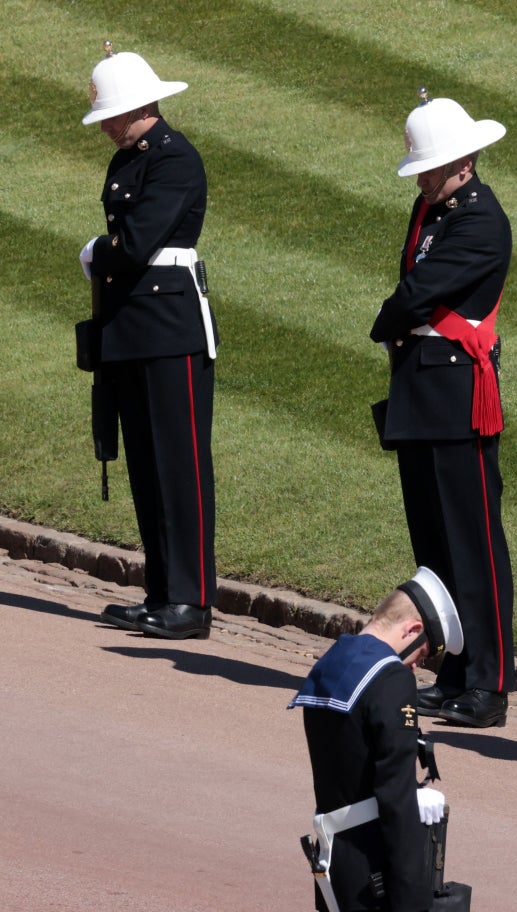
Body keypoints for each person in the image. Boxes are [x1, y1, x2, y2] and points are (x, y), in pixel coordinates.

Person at [370, 90, 515, 729]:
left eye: (429, 168)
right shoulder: (433, 208)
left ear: (463, 162)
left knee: (474, 543)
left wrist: (387, 319)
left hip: (456, 392)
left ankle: (490, 681)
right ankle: (454, 669)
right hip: (422, 387)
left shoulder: (480, 219)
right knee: (434, 543)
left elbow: (419, 291)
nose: (422, 179)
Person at [82, 43, 218, 640]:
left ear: (141, 107)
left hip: (169, 327)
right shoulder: (130, 159)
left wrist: (96, 253)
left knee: (179, 465)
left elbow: (134, 245)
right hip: (134, 326)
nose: (107, 126)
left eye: (112, 115)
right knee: (145, 462)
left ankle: (190, 599)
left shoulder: (174, 158)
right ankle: (162, 591)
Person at [290, 568, 464, 912]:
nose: (416, 666)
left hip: (334, 854)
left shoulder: (334, 659)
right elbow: (395, 798)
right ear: (412, 630)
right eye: (422, 654)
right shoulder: (392, 678)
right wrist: (412, 898)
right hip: (374, 869)